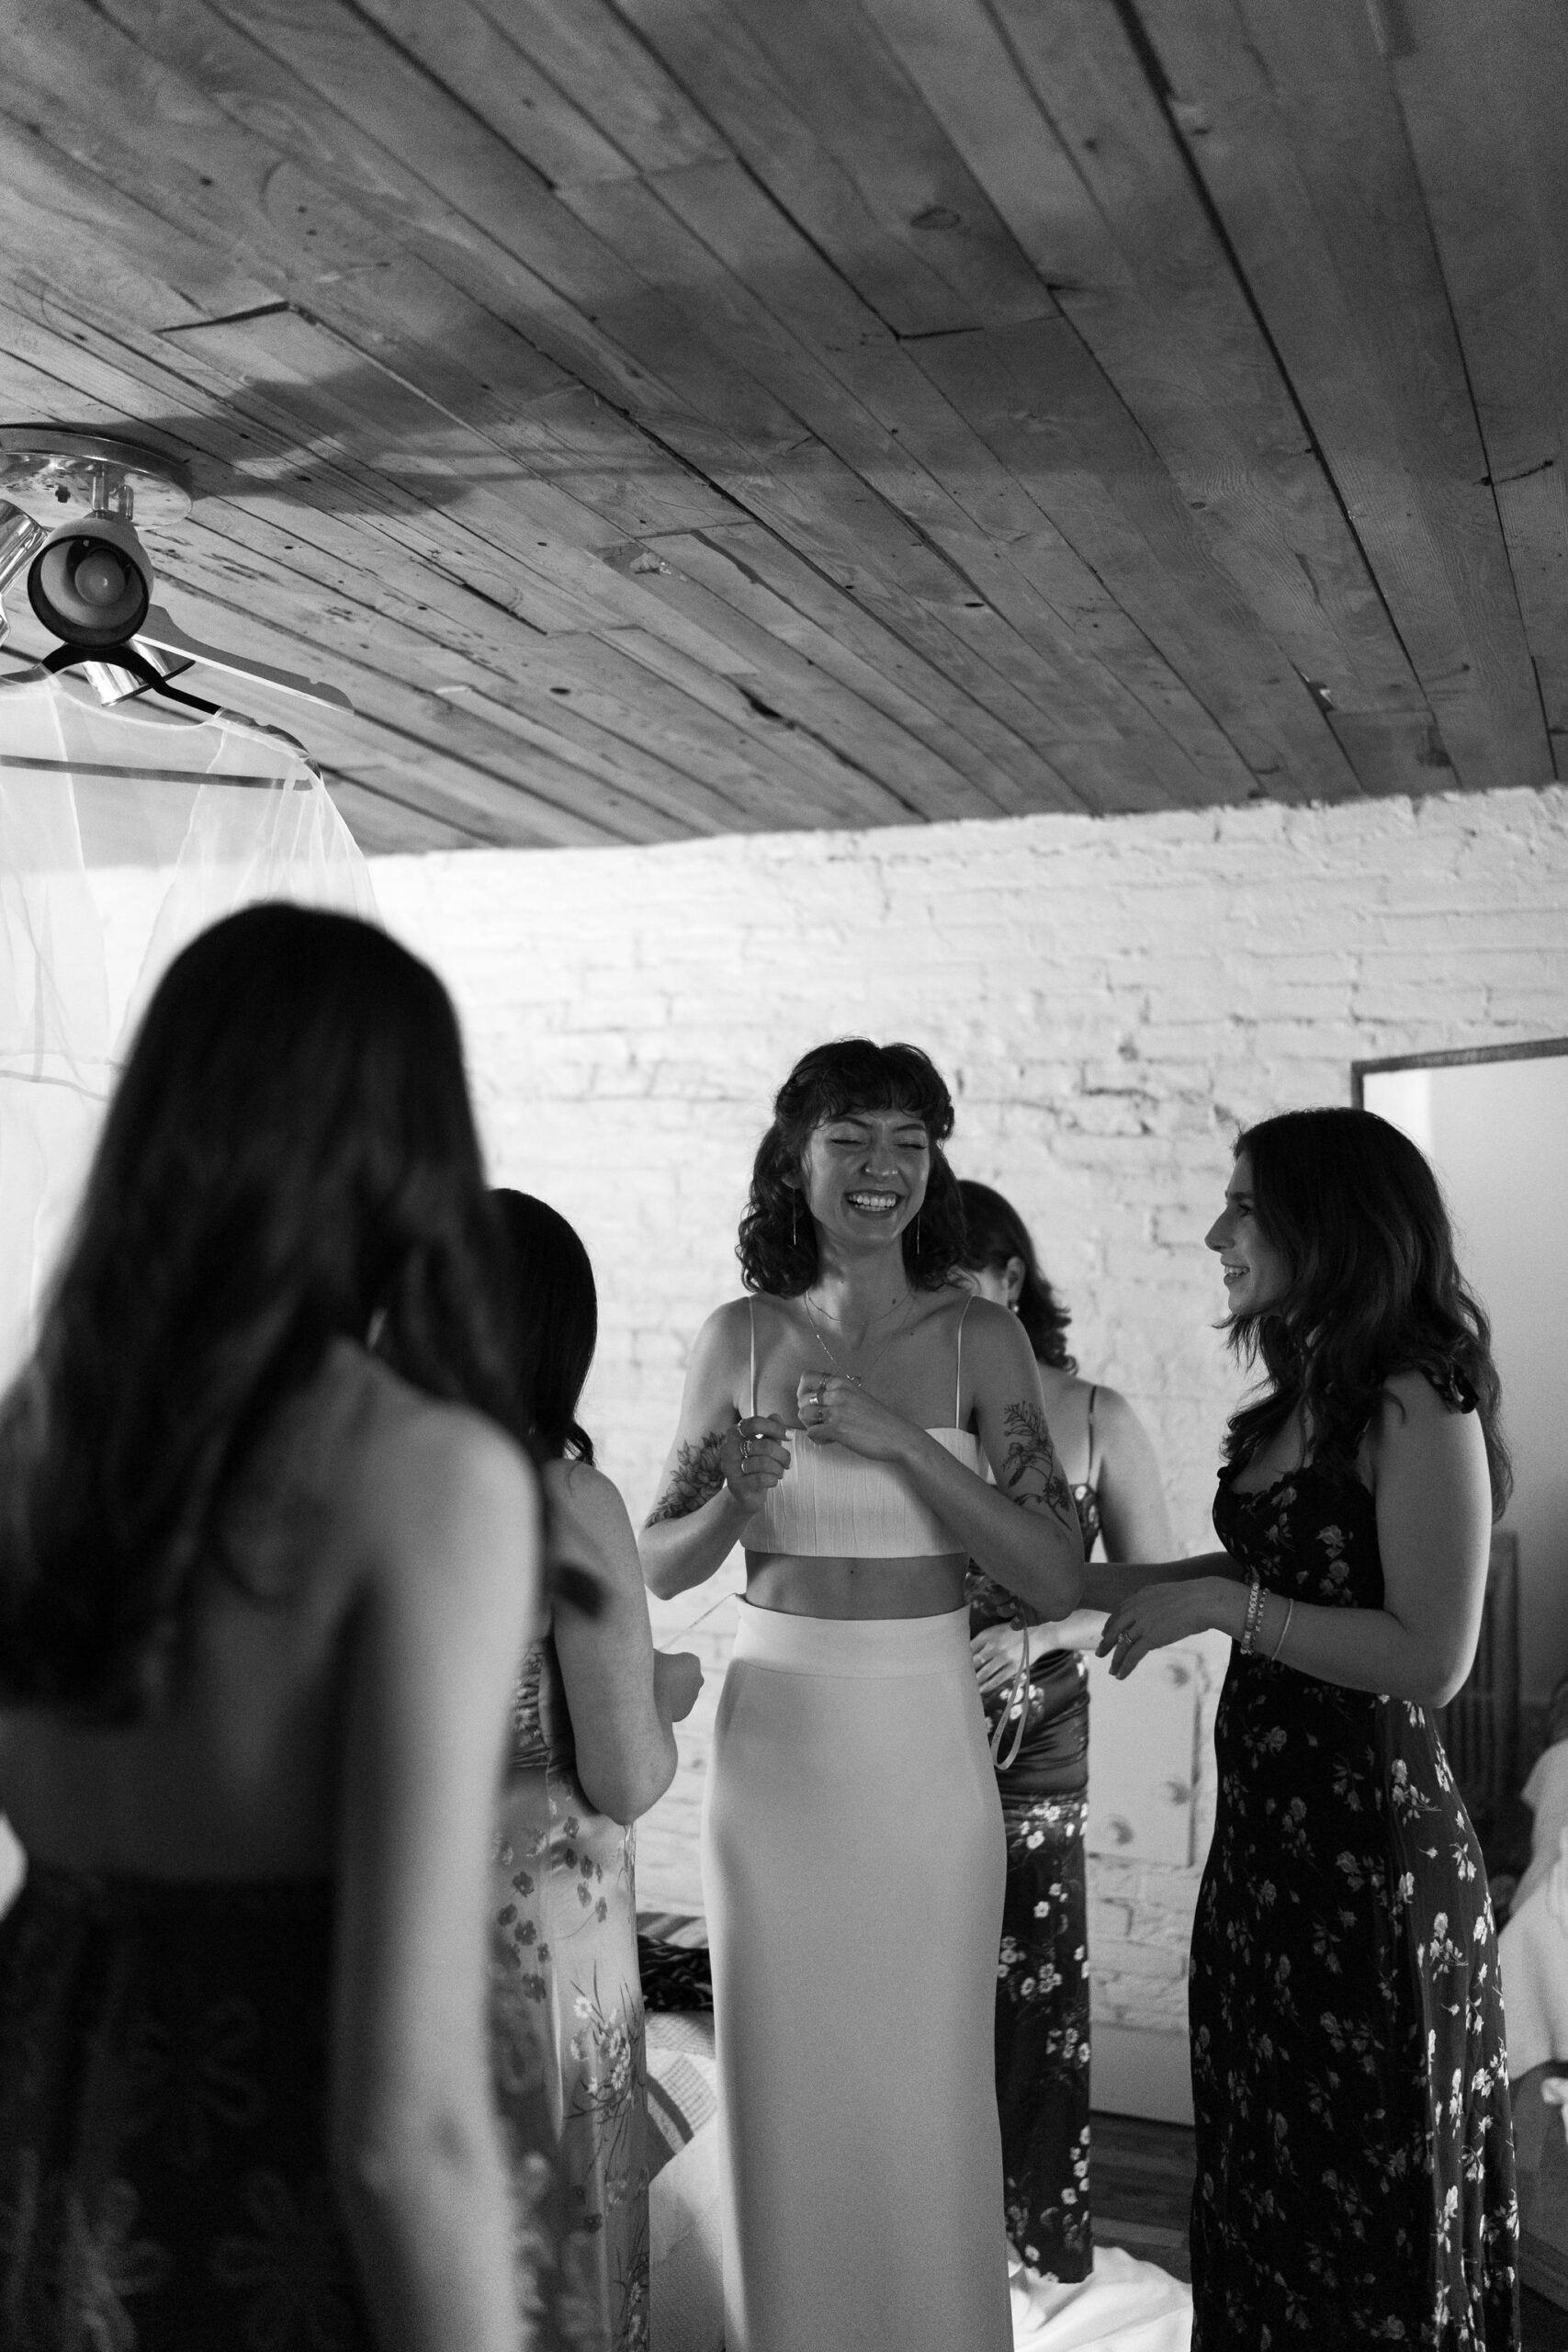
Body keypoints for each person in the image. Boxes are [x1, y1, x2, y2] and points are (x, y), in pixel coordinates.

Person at [0, 905, 552, 2352]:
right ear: (408, 1144)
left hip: (47, 2200)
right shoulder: (427, 1476)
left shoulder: (31, 1443)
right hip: (268, 2237)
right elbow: (402, 2128)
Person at [639, 1040, 1084, 2352]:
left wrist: (896, 1446)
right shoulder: (739, 1336)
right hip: (775, 1748)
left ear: (932, 1161)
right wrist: (735, 1493)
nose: (879, 1168)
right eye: (850, 1138)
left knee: (921, 2074)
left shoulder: (978, 1338)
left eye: (906, 1138)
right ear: (796, 1155)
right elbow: (659, 1565)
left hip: (922, 1745)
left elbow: (1051, 1562)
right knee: (787, 2074)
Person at [1096, 1108, 1518, 2346]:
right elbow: (1220, 1568)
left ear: (1320, 1223)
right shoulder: (1302, 1397)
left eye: (1241, 1206)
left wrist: (1225, 1608)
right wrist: (1048, 1582)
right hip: (1268, 1870)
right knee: (1262, 2182)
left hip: (1373, 1877)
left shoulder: (1414, 1401)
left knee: (1366, 2202)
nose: (1214, 1233)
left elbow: (1427, 1659)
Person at [490, 1188, 702, 2352]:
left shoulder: (363, 1483)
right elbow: (623, 1771)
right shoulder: (568, 1501)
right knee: (561, 2235)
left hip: (388, 1911)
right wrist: (666, 1689)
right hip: (542, 1929)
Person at [955, 1178, 1173, 2290]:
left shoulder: (1095, 1417)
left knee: (1035, 2005)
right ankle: (933, 2235)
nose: (946, 1301)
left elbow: (1159, 1593)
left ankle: (1035, 2247)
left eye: (964, 1278)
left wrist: (1045, 1643)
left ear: (1009, 1281)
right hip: (911, 1747)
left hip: (1039, 1750)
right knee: (927, 1998)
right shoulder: (925, 1417)